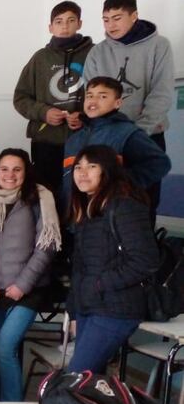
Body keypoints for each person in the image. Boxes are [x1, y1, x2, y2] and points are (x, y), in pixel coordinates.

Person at [0, 149, 61, 401]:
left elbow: (46, 245)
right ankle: (6, 402)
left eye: (17, 169)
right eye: (4, 169)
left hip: (27, 291)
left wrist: (22, 284)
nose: (10, 175)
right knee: (6, 349)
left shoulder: (39, 198)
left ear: (25, 172)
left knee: (5, 348)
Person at [67, 145, 159, 373]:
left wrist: (99, 284)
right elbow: (80, 266)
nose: (82, 172)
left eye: (92, 166)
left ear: (107, 171)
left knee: (76, 379)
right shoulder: (87, 209)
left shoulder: (124, 206)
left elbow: (146, 260)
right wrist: (75, 309)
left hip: (116, 309)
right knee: (89, 383)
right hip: (90, 306)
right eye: (78, 167)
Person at [84, 0, 173, 211]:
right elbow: (91, 95)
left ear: (134, 16)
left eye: (117, 18)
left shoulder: (159, 45)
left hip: (147, 135)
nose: (110, 25)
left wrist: (137, 133)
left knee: (144, 200)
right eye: (105, 20)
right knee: (105, 201)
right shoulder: (97, 52)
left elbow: (161, 93)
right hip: (107, 137)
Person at [13, 0, 93, 197]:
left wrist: (84, 115)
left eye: (70, 20)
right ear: (50, 27)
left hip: (84, 139)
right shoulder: (40, 58)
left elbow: (104, 95)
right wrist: (44, 112)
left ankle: (75, 229)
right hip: (46, 140)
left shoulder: (94, 53)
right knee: (46, 193)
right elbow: (20, 98)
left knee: (81, 192)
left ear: (80, 24)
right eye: (59, 22)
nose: (64, 26)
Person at [62, 76, 170, 217]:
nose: (93, 101)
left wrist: (120, 185)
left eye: (102, 96)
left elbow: (160, 163)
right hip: (76, 218)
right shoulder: (74, 138)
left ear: (117, 103)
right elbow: (67, 178)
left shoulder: (127, 133)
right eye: (89, 96)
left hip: (110, 219)